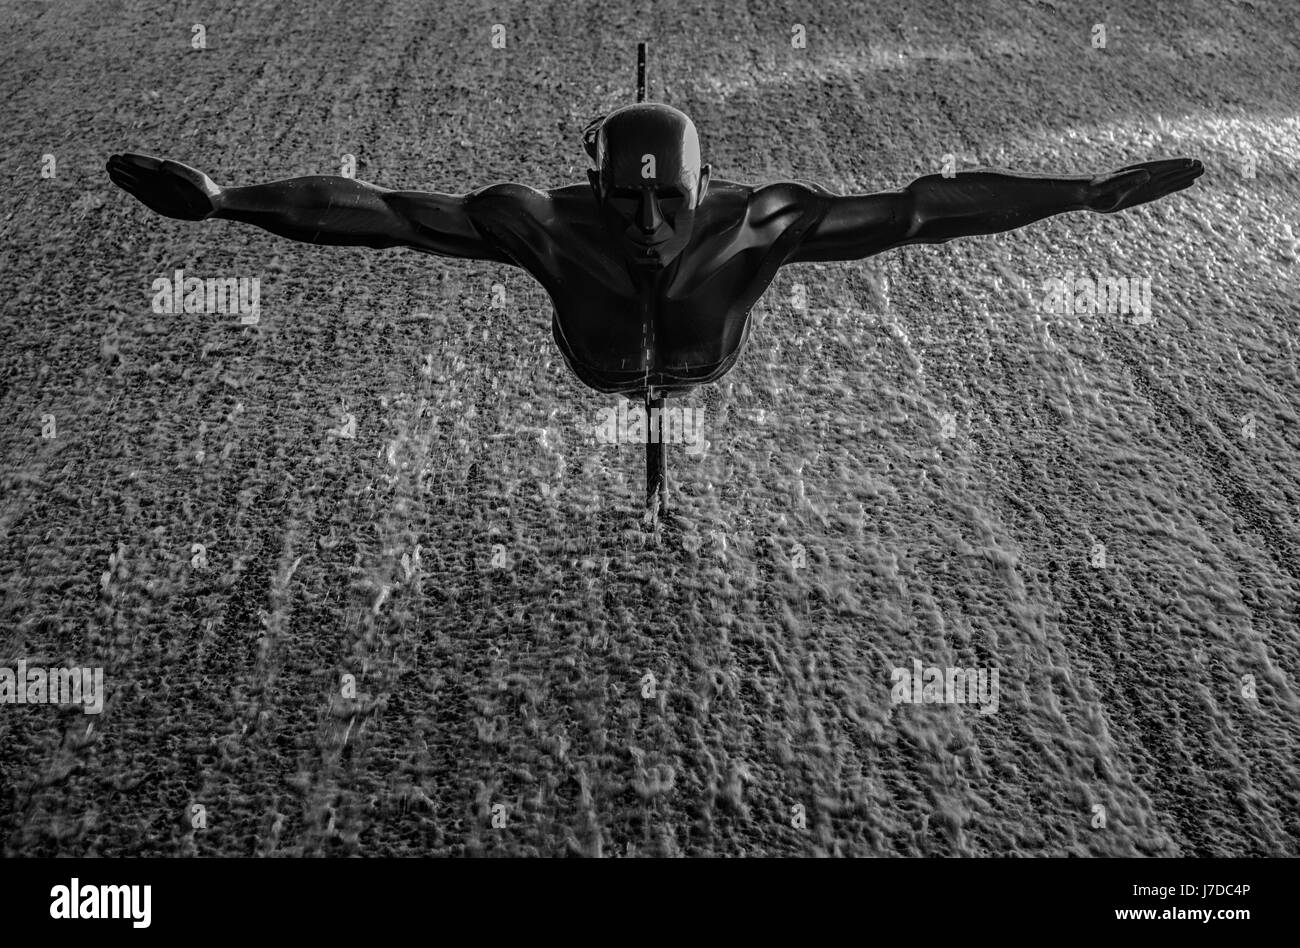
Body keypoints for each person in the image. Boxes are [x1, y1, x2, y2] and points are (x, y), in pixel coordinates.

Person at [107, 102, 1201, 401]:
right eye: (627, 210)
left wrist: (1081, 195)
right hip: (617, 369)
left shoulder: (757, 221)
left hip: (651, 366)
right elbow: (374, 213)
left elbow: (923, 209)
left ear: (702, 188)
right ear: (590, 188)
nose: (644, 232)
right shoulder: (538, 221)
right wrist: (225, 203)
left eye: (664, 208)